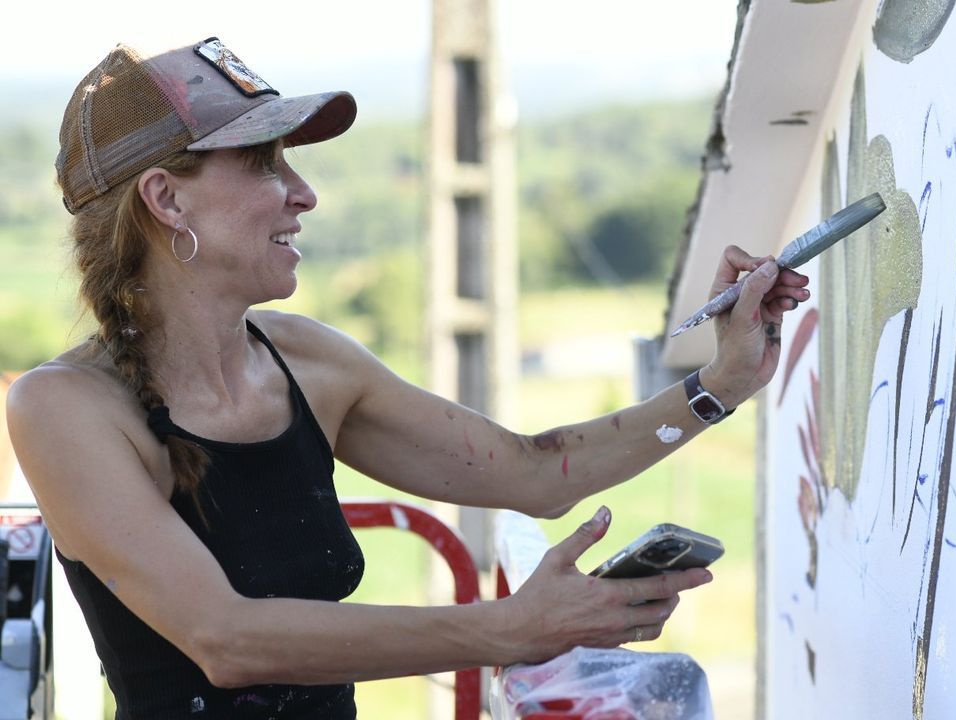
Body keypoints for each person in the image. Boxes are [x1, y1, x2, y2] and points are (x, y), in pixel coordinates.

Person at [4, 38, 810, 718]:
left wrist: (723, 382)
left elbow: (535, 473)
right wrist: (508, 628)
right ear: (165, 200)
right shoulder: (63, 407)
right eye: (262, 164)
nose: (303, 193)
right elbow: (227, 640)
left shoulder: (310, 361)